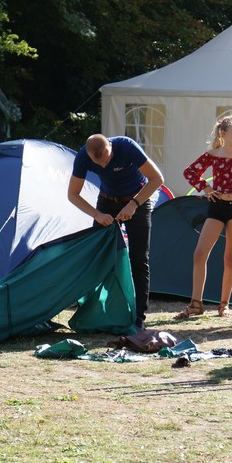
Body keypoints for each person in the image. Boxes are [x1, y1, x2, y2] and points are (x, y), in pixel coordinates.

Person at [174, 116, 232, 319]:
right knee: (200, 253)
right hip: (217, 207)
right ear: (222, 133)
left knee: (230, 256)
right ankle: (196, 304)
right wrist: (206, 188)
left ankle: (224, 305)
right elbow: (190, 172)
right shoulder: (213, 154)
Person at [68, 134, 164, 329]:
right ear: (89, 155)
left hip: (137, 199)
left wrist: (134, 204)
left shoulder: (126, 146)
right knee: (98, 256)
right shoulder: (82, 156)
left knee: (139, 258)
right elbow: (72, 194)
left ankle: (139, 316)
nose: (103, 165)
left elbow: (157, 179)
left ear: (110, 147)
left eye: (106, 159)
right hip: (107, 201)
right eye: (98, 163)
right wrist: (97, 215)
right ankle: (94, 310)